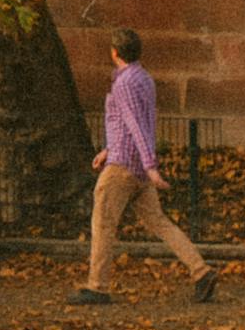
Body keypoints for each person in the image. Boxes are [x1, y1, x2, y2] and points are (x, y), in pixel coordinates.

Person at [87, 26, 214, 304]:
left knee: (102, 223)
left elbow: (135, 124)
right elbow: (137, 122)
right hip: (133, 165)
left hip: (124, 168)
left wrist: (150, 165)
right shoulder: (144, 79)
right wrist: (108, 150)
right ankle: (200, 270)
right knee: (160, 223)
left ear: (115, 53)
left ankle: (97, 287)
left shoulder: (123, 84)